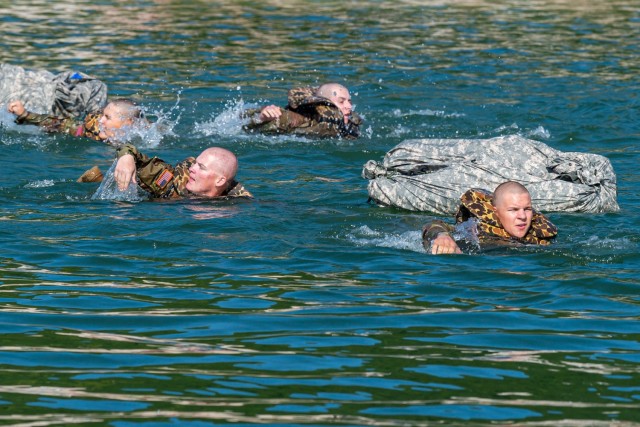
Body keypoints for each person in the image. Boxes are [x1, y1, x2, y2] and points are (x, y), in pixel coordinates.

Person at [422, 181, 557, 254]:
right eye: (513, 210)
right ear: (496, 212)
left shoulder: (540, 237)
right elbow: (432, 225)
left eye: (527, 209)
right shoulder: (475, 229)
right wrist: (442, 236)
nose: (522, 216)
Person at [112, 144, 252, 199]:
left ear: (220, 180)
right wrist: (126, 156)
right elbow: (128, 148)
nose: (192, 169)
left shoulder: (235, 203)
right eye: (195, 163)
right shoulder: (171, 182)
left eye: (201, 167)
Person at [243, 83, 362, 139]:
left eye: (349, 101)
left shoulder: (350, 125)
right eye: (341, 102)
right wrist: (263, 117)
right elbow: (248, 126)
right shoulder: (303, 118)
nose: (348, 107)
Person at [7, 98, 145, 145]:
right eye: (103, 115)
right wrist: (26, 114)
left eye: (108, 117)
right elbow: (60, 124)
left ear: (128, 123)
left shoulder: (142, 141)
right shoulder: (91, 130)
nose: (101, 120)